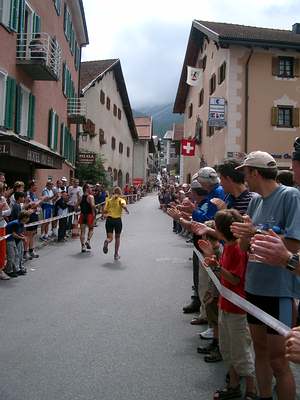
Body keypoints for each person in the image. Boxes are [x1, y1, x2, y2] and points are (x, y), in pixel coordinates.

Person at [231, 151, 300, 400]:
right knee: (260, 351)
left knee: (279, 361)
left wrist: (254, 231)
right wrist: (245, 235)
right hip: (254, 287)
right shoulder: (255, 201)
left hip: (279, 290)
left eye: (245, 173)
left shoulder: (290, 196)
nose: (244, 179)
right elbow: (243, 247)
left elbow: (293, 245)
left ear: (255, 172)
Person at [204, 209, 256, 400]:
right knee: (228, 348)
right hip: (226, 305)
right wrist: (215, 262)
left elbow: (234, 279)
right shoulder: (229, 246)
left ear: (220, 229)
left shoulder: (236, 250)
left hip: (237, 308)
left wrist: (217, 266)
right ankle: (233, 385)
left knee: (241, 350)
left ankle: (251, 390)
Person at [103, 187, 129, 260]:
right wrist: (126, 209)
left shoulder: (108, 200)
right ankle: (116, 254)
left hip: (109, 220)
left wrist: (107, 212)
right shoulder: (121, 200)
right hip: (117, 220)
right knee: (117, 237)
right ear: (120, 193)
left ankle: (107, 241)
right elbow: (123, 205)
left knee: (110, 237)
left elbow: (105, 210)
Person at [5, 210, 30, 277]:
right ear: (24, 217)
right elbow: (13, 234)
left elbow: (18, 232)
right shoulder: (16, 223)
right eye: (27, 217)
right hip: (9, 240)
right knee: (11, 256)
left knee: (16, 255)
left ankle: (16, 269)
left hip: (13, 240)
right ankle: (9, 271)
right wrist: (22, 238)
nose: (28, 219)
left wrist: (23, 236)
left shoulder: (21, 223)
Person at [25, 181, 40, 260]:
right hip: (29, 216)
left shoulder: (34, 194)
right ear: (31, 186)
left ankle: (31, 250)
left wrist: (38, 207)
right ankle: (26, 252)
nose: (36, 187)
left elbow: (36, 205)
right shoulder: (27, 194)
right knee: (28, 234)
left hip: (35, 215)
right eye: (35, 186)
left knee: (33, 233)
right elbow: (32, 204)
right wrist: (41, 200)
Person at [79, 183, 95, 253]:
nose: (91, 189)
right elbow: (92, 205)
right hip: (89, 215)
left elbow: (76, 206)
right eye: (89, 188)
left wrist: (80, 208)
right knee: (91, 229)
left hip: (82, 215)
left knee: (82, 232)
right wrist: (94, 213)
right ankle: (88, 241)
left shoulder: (81, 197)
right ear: (86, 189)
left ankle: (83, 246)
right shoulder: (90, 197)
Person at [0, 182, 11, 280]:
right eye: (3, 190)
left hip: (2, 227)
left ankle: (1, 270)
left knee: (2, 250)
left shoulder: (3, 199)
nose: (4, 191)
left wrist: (1, 212)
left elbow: (9, 211)